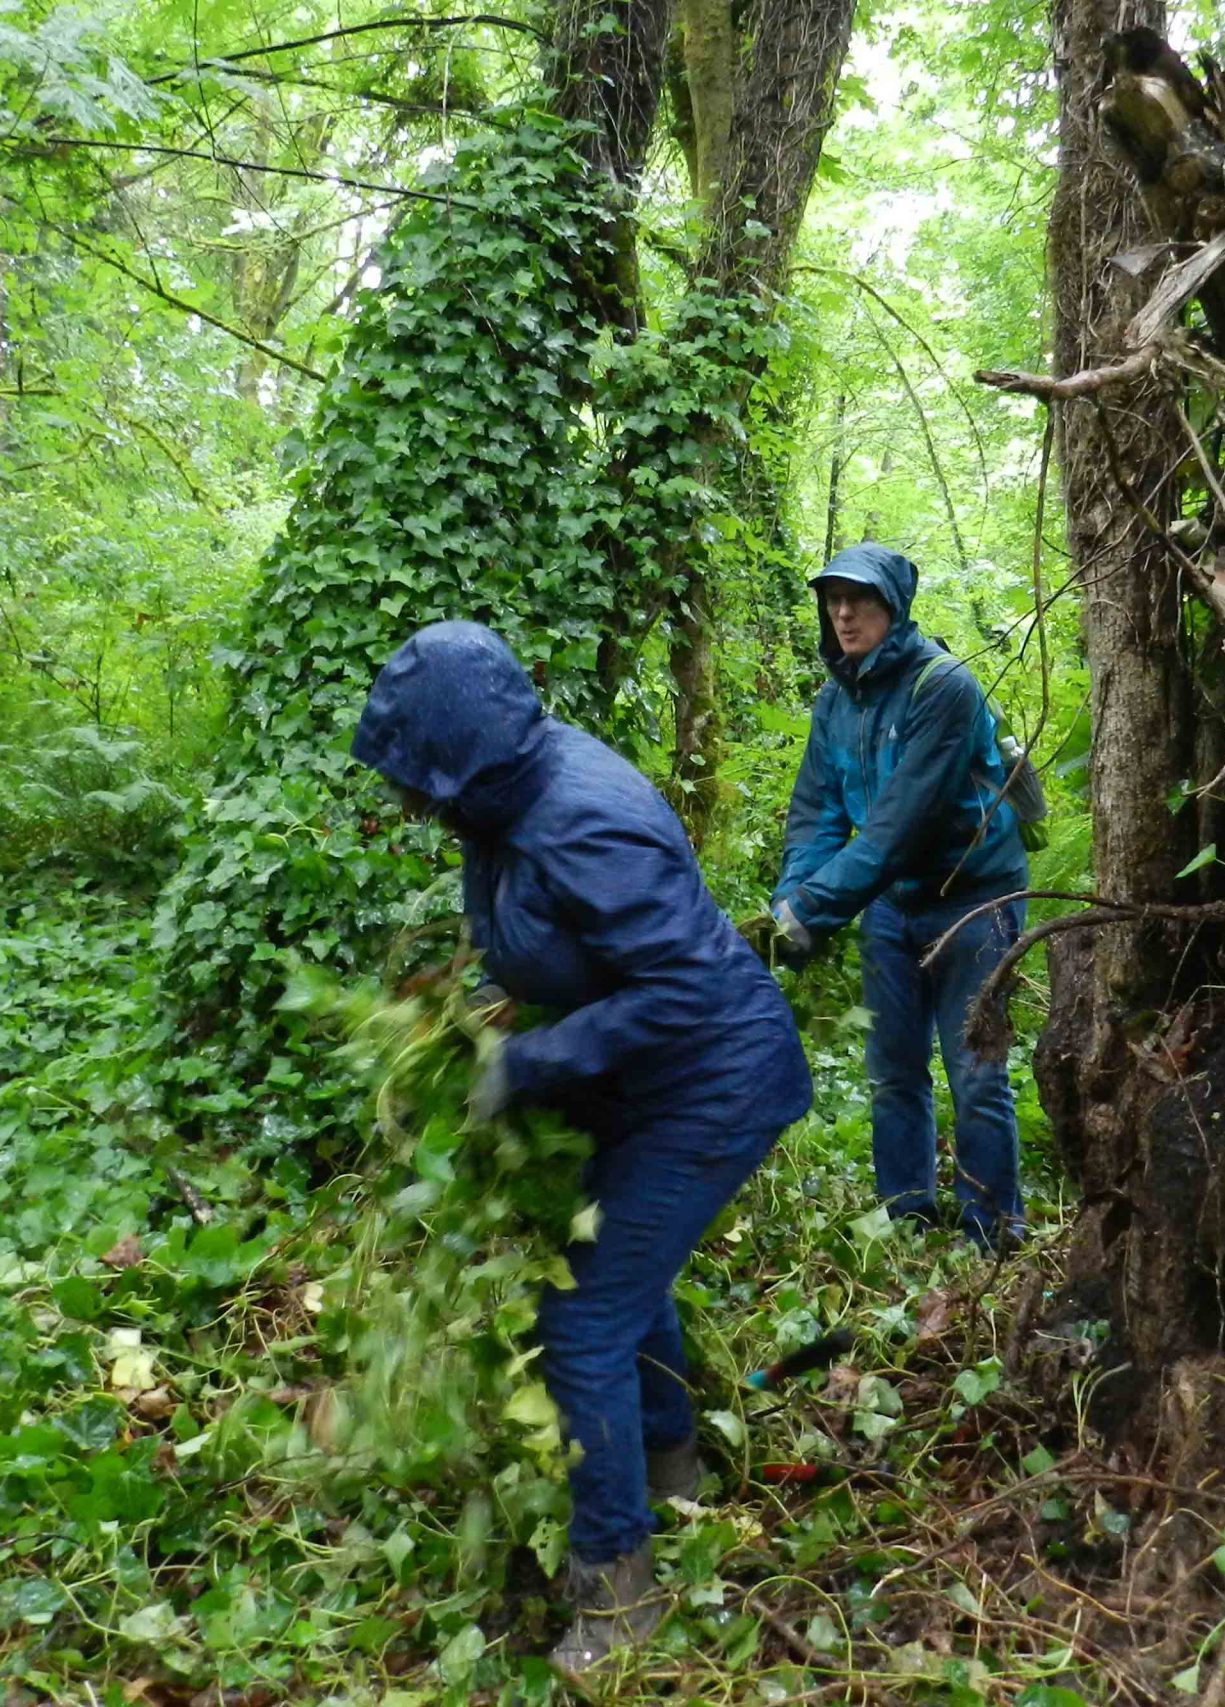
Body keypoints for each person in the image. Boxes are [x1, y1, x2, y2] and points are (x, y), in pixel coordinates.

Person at [351, 620, 813, 1676]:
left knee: (582, 1317)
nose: (410, 804)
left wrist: (524, 1066)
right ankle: (670, 1467)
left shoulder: (580, 820)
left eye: (417, 780)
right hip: (640, 1080)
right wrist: (488, 1015)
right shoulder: (501, 802)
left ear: (463, 757)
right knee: (610, 1265)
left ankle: (617, 1597)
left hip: (711, 1083)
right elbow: (571, 945)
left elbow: (686, 987)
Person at [766, 544, 1031, 1252]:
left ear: (894, 605)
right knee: (892, 1072)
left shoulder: (943, 687)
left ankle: (992, 1235)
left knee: (975, 1075)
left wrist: (811, 913)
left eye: (861, 599)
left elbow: (894, 830)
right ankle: (910, 1225)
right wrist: (790, 901)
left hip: (974, 898)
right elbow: (816, 814)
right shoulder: (835, 700)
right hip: (890, 905)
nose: (845, 613)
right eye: (833, 600)